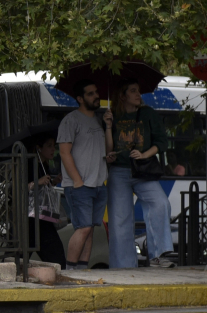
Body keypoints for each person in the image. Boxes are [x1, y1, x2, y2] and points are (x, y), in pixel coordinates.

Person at [105, 78, 175, 268]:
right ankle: (123, 267)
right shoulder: (113, 116)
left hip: (143, 170)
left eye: (138, 91)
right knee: (120, 221)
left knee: (160, 203)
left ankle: (157, 256)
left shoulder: (148, 114)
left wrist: (144, 154)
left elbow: (161, 142)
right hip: (119, 171)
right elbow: (108, 149)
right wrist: (109, 127)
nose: (138, 94)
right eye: (133, 91)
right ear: (122, 95)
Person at [57, 78, 113, 270]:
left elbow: (107, 150)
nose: (96, 96)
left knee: (90, 230)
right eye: (91, 93)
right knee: (83, 228)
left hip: (98, 185)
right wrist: (77, 180)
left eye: (96, 92)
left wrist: (108, 126)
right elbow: (64, 152)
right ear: (80, 98)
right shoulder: (70, 120)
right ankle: (70, 270)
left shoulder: (98, 120)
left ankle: (83, 270)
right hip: (79, 186)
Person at [27, 135, 66, 268]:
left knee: (57, 258)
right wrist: (38, 182)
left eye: (53, 146)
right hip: (29, 221)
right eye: (49, 146)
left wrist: (53, 182)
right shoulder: (28, 164)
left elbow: (43, 193)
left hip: (43, 219)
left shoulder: (44, 166)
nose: (52, 150)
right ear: (39, 148)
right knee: (19, 260)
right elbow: (21, 188)